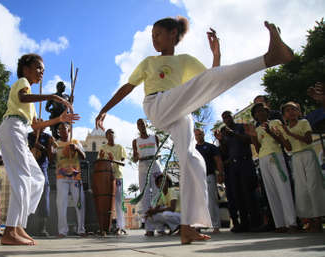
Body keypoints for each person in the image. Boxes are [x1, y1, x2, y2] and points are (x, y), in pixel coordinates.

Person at [95, 16, 293, 243]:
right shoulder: (149, 62)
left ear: (172, 35)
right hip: (157, 105)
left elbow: (212, 78)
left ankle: (187, 226)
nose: (154, 40)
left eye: (157, 34)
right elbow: (128, 87)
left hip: (180, 110)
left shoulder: (185, 60)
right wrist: (104, 109)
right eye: (151, 36)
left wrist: (216, 54)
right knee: (198, 90)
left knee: (193, 161)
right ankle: (268, 59)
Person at [0, 53, 78, 246]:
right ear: (26, 68)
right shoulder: (22, 82)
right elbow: (22, 97)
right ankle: (10, 230)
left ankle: (17, 225)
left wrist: (59, 120)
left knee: (38, 178)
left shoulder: (31, 104)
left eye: (43, 69)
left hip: (20, 132)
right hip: (12, 128)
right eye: (38, 67)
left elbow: (34, 126)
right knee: (23, 178)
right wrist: (51, 96)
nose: (42, 72)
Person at [245, 103, 297, 232]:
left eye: (262, 111)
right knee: (271, 191)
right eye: (257, 112)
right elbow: (257, 148)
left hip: (276, 156)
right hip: (263, 159)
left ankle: (291, 222)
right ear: (255, 116)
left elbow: (283, 142)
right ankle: (280, 224)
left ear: (267, 112)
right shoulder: (256, 129)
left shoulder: (275, 122)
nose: (260, 113)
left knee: (283, 188)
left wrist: (269, 131)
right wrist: (252, 135)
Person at [281, 101, 325, 233]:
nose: (291, 112)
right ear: (284, 116)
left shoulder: (303, 123)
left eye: (294, 109)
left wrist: (289, 133)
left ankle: (318, 219)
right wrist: (281, 136)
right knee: (301, 188)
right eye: (288, 110)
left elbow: (308, 140)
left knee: (313, 185)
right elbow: (288, 147)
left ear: (299, 112)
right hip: (295, 157)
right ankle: (309, 220)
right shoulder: (285, 128)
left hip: (307, 154)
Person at [217, 111, 261, 232]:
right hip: (233, 166)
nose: (226, 119)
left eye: (228, 116)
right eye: (224, 117)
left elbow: (249, 140)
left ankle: (256, 222)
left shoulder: (241, 127)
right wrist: (221, 140)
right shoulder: (224, 133)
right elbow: (225, 151)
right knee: (238, 195)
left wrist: (233, 134)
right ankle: (244, 223)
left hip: (245, 162)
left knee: (250, 193)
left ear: (233, 117)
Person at [54, 122, 86, 238]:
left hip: (75, 176)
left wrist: (77, 148)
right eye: (60, 129)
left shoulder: (76, 142)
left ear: (69, 129)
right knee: (61, 203)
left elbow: (84, 157)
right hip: (61, 176)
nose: (62, 131)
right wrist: (50, 147)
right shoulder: (56, 143)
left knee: (79, 203)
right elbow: (52, 157)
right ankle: (62, 230)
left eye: (64, 128)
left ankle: (81, 229)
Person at [132, 118, 162, 235]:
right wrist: (137, 158)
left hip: (155, 167)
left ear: (146, 125)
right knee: (145, 197)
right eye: (139, 124)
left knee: (157, 195)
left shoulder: (154, 137)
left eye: (143, 124)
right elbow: (134, 158)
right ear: (137, 127)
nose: (141, 126)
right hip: (143, 169)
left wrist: (155, 156)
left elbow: (159, 152)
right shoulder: (136, 141)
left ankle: (160, 227)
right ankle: (149, 228)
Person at [194, 128, 224, 233]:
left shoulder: (211, 147)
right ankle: (198, 225)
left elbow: (218, 160)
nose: (199, 136)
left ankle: (216, 226)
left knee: (212, 201)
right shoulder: (193, 148)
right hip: (197, 178)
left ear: (203, 134)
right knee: (198, 202)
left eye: (200, 134)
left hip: (209, 176)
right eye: (197, 134)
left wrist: (220, 173)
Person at [28, 122, 55, 236]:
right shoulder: (27, 136)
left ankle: (42, 228)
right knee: (27, 195)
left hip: (42, 169)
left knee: (44, 196)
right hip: (29, 169)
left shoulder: (48, 137)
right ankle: (25, 226)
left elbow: (51, 157)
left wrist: (44, 147)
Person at [98, 129, 127, 235]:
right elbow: (100, 161)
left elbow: (123, 162)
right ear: (106, 136)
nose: (110, 135)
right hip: (106, 178)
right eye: (108, 133)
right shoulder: (103, 148)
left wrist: (112, 159)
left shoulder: (120, 147)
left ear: (115, 135)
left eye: (112, 133)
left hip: (117, 177)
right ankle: (106, 227)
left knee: (119, 202)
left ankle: (121, 227)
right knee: (106, 203)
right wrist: (102, 158)